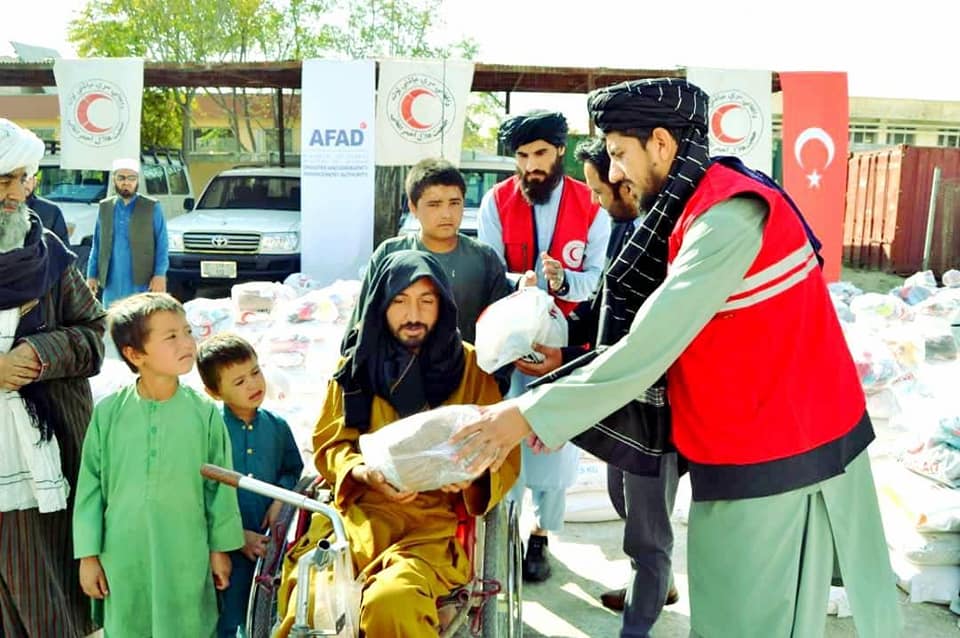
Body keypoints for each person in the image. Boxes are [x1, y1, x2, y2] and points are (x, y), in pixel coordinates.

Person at [454, 79, 902, 638]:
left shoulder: (727, 219)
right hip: (748, 447)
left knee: (750, 623)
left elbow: (648, 346)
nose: (612, 174)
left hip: (784, 456)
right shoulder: (696, 209)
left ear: (662, 144)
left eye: (618, 154)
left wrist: (525, 415)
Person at [278, 251, 520, 637]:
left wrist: (471, 477)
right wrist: (361, 472)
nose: (414, 315)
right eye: (400, 301)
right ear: (380, 305)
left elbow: (503, 449)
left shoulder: (470, 368)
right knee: (317, 605)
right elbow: (330, 446)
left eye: (427, 301)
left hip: (429, 525)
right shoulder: (355, 368)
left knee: (392, 602)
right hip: (357, 517)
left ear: (443, 306)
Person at [520, 137, 681, 636]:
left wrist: (562, 394)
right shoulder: (621, 231)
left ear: (624, 184)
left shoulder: (660, 240)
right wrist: (562, 355)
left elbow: (639, 339)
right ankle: (658, 585)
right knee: (621, 494)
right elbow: (603, 310)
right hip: (622, 396)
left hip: (656, 405)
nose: (592, 200)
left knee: (646, 530)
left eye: (597, 189)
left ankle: (638, 622)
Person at [478, 109, 610, 582]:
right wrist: (522, 282)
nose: (531, 164)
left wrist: (563, 280)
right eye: (522, 155)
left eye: (539, 153)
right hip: (509, 344)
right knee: (505, 438)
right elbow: (487, 269)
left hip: (567, 347)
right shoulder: (496, 201)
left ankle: (540, 539)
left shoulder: (591, 204)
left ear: (559, 151)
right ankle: (507, 535)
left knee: (553, 446)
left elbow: (598, 280)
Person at [73, 292, 245, 637]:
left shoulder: (203, 413)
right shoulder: (109, 414)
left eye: (187, 331)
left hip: (185, 551)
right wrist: (88, 556)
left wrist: (219, 549)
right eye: (171, 337)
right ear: (135, 354)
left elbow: (220, 488)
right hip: (123, 555)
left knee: (187, 624)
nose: (187, 343)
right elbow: (90, 488)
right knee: (128, 624)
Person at [0, 118, 107, 638]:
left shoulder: (48, 259)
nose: (18, 194)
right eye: (5, 180)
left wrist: (39, 353)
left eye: (24, 179)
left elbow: (94, 336)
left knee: (48, 598)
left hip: (45, 464)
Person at [196, 333, 305, 638]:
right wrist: (233, 535)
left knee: (260, 615)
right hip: (221, 549)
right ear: (214, 392)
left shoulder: (277, 426)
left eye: (255, 372)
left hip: (267, 548)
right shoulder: (208, 429)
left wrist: (280, 500)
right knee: (224, 621)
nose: (253, 385)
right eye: (239, 382)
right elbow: (199, 490)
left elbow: (292, 470)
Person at [345, 158, 514, 345]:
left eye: (454, 203)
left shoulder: (485, 259)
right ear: (413, 207)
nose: (446, 214)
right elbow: (363, 325)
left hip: (467, 369)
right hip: (400, 371)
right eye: (434, 204)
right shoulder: (390, 254)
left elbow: (502, 335)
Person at [86, 158, 169, 307]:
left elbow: (162, 245)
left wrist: (159, 275)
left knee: (140, 323)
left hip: (142, 283)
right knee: (113, 322)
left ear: (137, 181)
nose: (126, 183)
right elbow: (97, 246)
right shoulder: (105, 207)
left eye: (132, 178)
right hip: (112, 283)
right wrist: (91, 276)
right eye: (121, 178)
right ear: (114, 180)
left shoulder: (152, 207)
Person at [24, 172, 70, 245]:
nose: (24, 183)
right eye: (21, 179)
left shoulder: (51, 211)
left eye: (28, 178)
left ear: (35, 181)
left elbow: (63, 249)